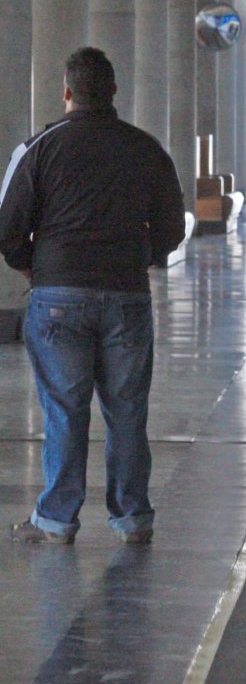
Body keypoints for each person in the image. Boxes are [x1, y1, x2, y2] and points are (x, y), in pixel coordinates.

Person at [0, 47, 186, 545]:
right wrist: (137, 256)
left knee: (64, 408)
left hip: (58, 295)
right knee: (127, 410)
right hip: (126, 294)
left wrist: (38, 269)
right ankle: (132, 518)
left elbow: (8, 228)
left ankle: (58, 520)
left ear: (66, 92)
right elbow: (172, 229)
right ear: (114, 93)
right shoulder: (146, 148)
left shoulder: (38, 147)